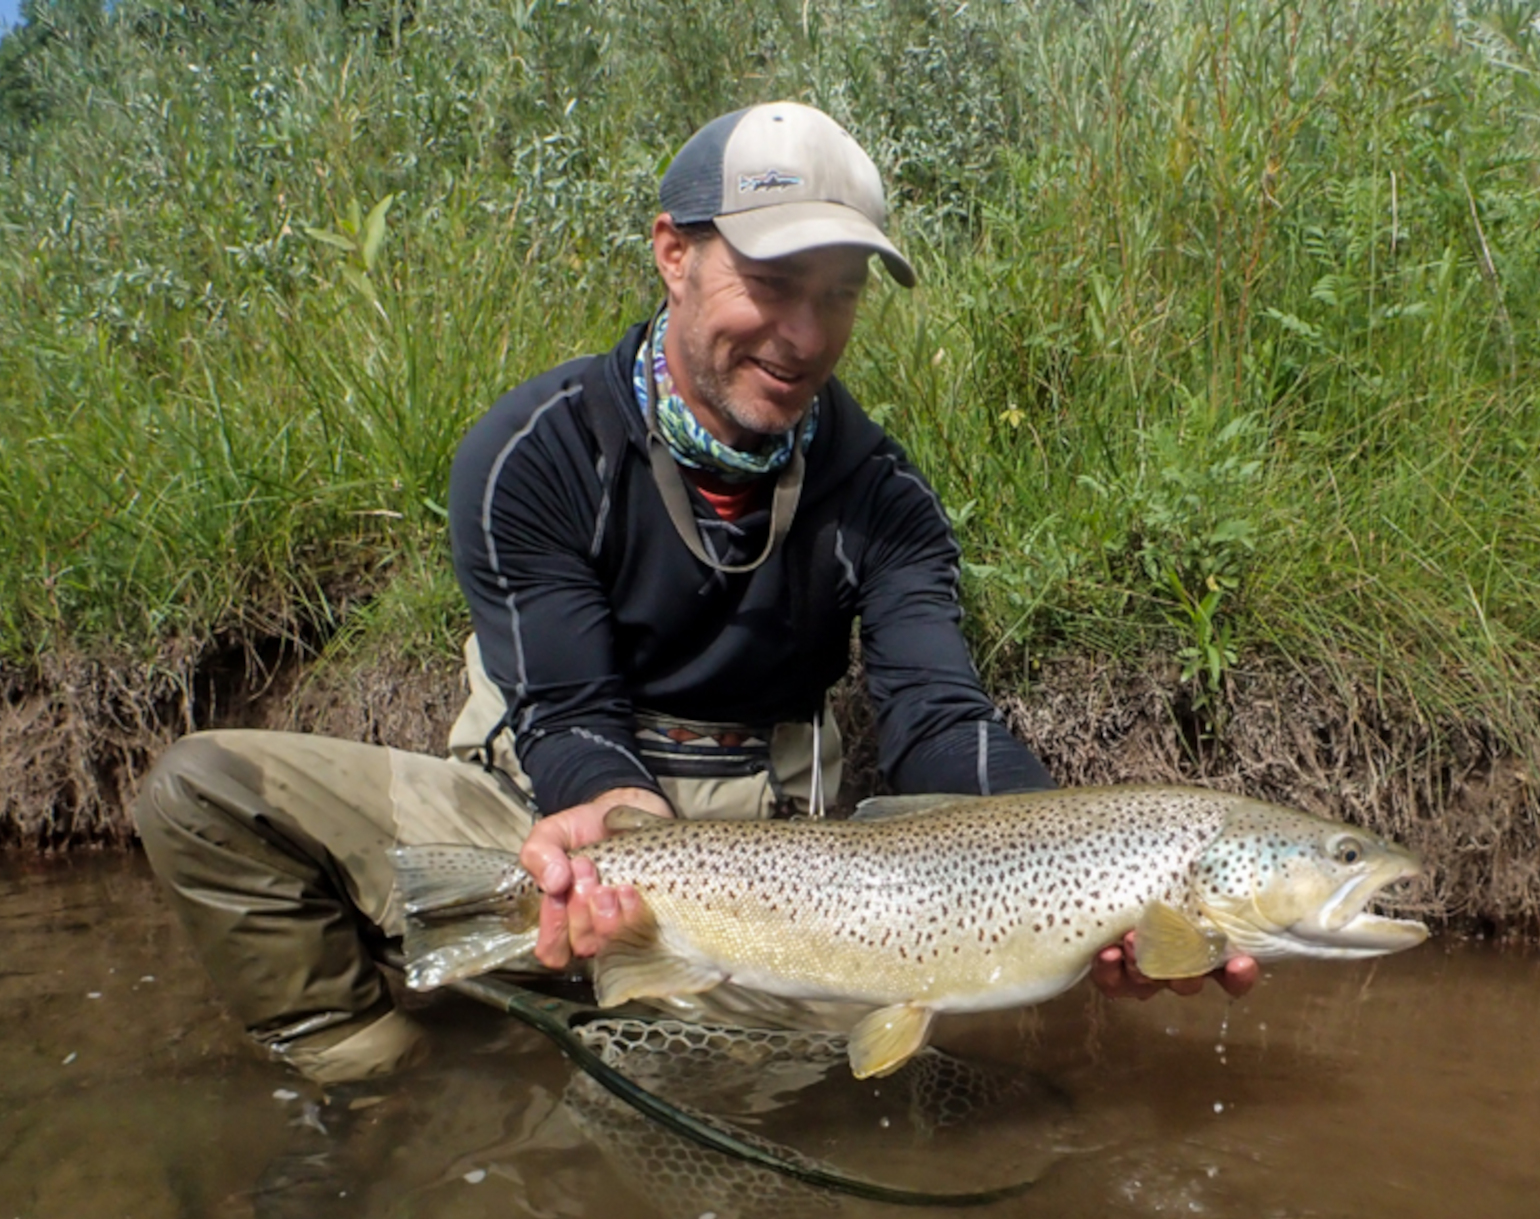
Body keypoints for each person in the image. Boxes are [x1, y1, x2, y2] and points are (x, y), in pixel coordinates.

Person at [135, 102, 1253, 1089]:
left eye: (840, 296)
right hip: (543, 816)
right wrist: (600, 830)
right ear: (673, 254)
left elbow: (935, 716)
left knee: (770, 1097)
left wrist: (1073, 871)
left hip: (769, 877)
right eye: (769, 286)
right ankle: (365, 1076)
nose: (805, 337)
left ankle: (637, 1042)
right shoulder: (533, 454)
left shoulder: (883, 500)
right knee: (206, 795)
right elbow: (566, 714)